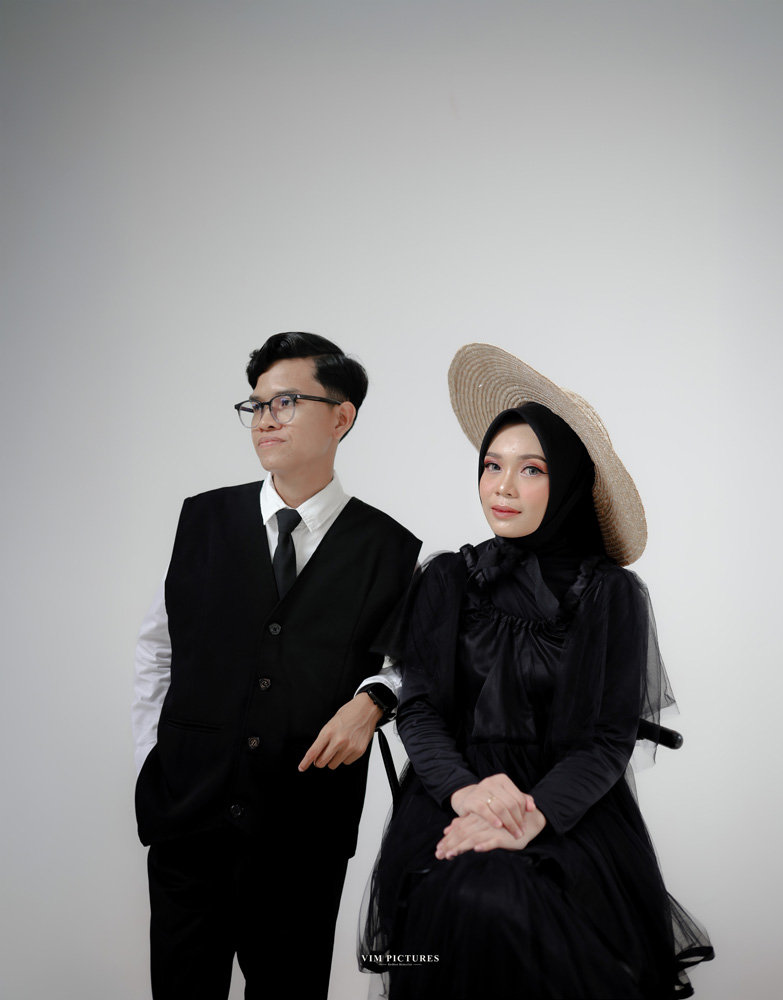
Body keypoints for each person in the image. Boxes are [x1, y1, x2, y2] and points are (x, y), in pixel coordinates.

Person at [361, 343, 714, 999]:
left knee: (534, 911)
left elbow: (607, 740)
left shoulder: (611, 595)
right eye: (492, 465)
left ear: (569, 482)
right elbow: (421, 709)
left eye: (531, 469)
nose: (502, 486)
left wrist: (531, 815)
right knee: (470, 898)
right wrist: (468, 796)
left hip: (569, 810)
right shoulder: (447, 579)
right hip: (451, 797)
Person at [133, 332, 421, 1000]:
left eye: (286, 402)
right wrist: (155, 760)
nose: (265, 419)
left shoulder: (389, 548)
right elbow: (157, 647)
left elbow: (416, 663)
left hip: (304, 834)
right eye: (256, 404)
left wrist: (374, 699)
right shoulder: (202, 520)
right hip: (189, 822)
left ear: (341, 417)